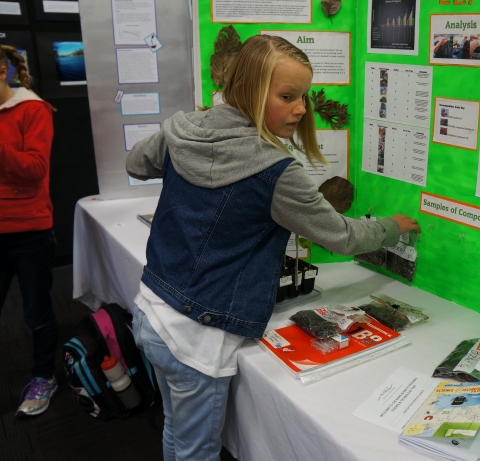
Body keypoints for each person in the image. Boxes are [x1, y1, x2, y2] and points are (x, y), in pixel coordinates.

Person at [125, 35, 420, 461]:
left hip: (151, 310)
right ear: (248, 89)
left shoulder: (183, 128)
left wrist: (187, 133)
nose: (301, 109)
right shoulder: (275, 170)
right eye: (287, 96)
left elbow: (136, 164)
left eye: (303, 97)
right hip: (197, 337)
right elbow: (342, 236)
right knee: (197, 451)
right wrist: (391, 228)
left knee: (176, 430)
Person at [0, 45, 58, 417]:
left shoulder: (33, 109)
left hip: (29, 231)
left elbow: (35, 169)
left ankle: (44, 376)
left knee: (36, 312)